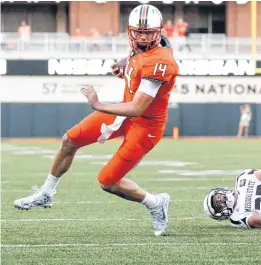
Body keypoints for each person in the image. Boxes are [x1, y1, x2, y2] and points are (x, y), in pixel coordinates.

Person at [14, 4, 179, 237]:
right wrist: (126, 62)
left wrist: (97, 104)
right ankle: (46, 192)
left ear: (159, 31)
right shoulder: (147, 45)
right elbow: (139, 55)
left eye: (148, 32)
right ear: (131, 31)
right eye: (138, 32)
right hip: (125, 114)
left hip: (144, 125)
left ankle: (155, 203)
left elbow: (137, 107)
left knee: (108, 181)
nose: (143, 37)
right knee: (70, 139)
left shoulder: (160, 62)